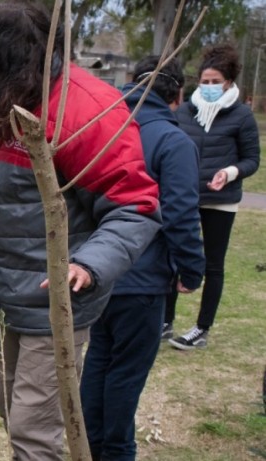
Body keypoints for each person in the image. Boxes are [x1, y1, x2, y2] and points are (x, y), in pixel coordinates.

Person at [0, 3, 161, 459]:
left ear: (14, 57)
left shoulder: (86, 112)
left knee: (35, 434)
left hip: (57, 301)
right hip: (5, 292)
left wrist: (88, 265)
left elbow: (135, 207)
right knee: (13, 414)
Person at [80, 56, 206, 461]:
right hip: (141, 277)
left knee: (99, 359)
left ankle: (90, 446)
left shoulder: (103, 128)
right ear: (178, 97)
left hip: (96, 267)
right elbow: (182, 214)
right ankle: (114, 451)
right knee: (124, 372)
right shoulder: (174, 143)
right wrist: (192, 269)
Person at [166, 44, 261, 350]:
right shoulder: (185, 111)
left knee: (213, 265)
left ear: (229, 82)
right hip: (186, 197)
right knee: (173, 256)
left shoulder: (243, 115)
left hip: (222, 200)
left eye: (214, 82)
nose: (208, 87)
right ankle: (165, 321)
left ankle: (201, 328)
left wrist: (230, 172)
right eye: (204, 82)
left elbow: (252, 159)